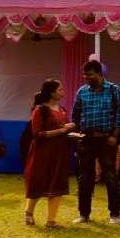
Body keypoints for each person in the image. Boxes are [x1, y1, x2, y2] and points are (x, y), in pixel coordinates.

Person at [71, 60, 120, 224]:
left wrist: (115, 136)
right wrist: (77, 132)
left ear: (99, 74)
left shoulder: (113, 90)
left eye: (89, 74)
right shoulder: (82, 92)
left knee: (110, 176)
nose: (86, 78)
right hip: (87, 139)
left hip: (107, 139)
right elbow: (75, 115)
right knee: (85, 177)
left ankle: (115, 214)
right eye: (85, 75)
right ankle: (84, 214)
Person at [23, 80, 75, 226]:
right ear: (51, 92)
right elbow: (38, 134)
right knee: (38, 182)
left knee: (57, 183)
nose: (63, 92)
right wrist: (62, 130)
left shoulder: (62, 109)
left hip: (60, 152)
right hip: (42, 152)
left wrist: (69, 129)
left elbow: (62, 127)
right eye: (60, 90)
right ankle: (28, 213)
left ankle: (51, 220)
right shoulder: (40, 110)